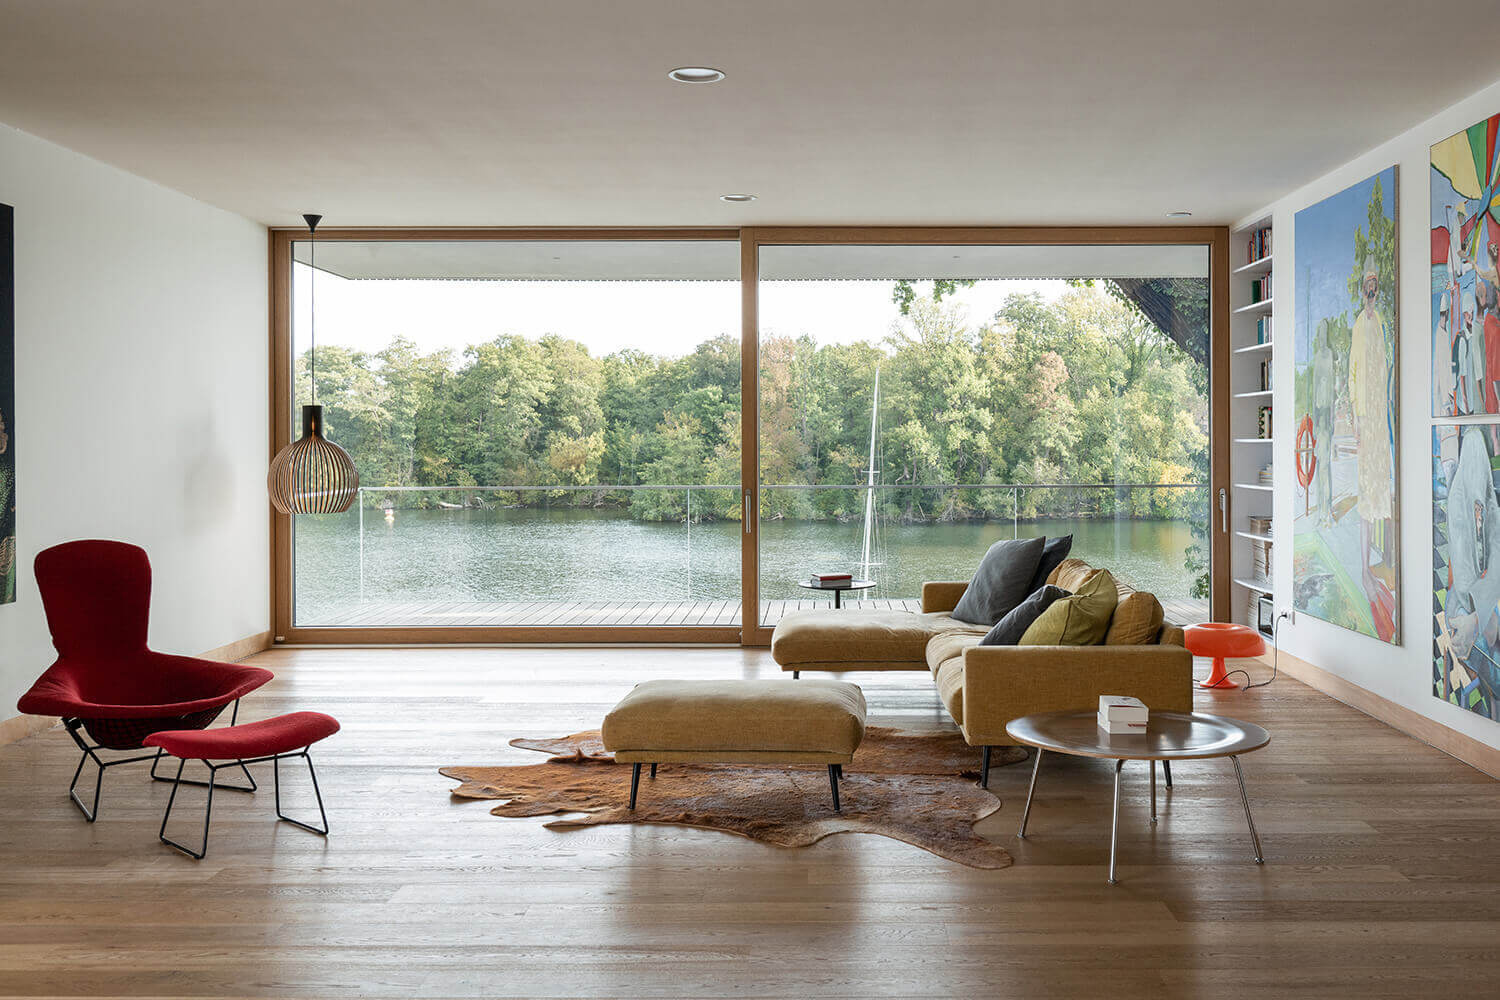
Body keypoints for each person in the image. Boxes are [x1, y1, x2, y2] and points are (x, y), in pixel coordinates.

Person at [1348, 255, 1395, 589]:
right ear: (1362, 290)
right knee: (1367, 491)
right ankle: (1364, 568)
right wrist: (1355, 418)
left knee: (1386, 486)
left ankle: (1388, 559)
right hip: (1366, 417)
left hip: (1382, 417)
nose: (1371, 292)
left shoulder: (1380, 322)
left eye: (1375, 287)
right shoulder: (1357, 326)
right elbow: (1353, 376)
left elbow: (1387, 365)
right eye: (1368, 286)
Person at [1312, 318, 1335, 524]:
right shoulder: (1318, 357)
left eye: (1323, 334)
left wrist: (1331, 420)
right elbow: (1314, 388)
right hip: (1320, 418)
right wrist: (1314, 420)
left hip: (1326, 418)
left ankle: (1326, 510)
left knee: (1325, 467)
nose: (1321, 339)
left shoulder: (1328, 357)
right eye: (1319, 335)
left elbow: (1332, 391)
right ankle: (1322, 510)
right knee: (1321, 467)